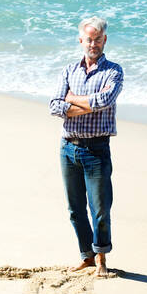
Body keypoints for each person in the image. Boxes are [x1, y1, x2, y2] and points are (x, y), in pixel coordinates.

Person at [49, 16, 123, 278]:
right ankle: (87, 256)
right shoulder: (69, 70)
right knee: (75, 208)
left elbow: (105, 100)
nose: (93, 44)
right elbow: (55, 106)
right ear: (81, 40)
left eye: (98, 39)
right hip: (68, 148)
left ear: (105, 40)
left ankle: (102, 258)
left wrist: (72, 102)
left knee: (100, 208)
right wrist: (84, 104)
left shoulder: (113, 71)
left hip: (97, 150)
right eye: (89, 39)